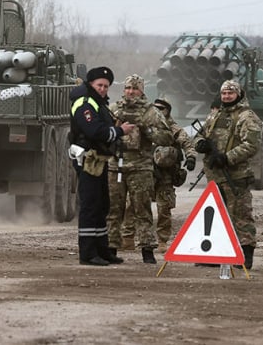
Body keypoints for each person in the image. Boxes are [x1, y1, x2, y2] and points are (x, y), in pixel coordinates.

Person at [69, 66, 135, 266]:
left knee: (102, 204)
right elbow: (94, 130)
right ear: (91, 84)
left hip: (99, 159)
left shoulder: (98, 103)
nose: (103, 89)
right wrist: (120, 131)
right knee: (90, 205)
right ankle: (88, 253)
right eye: (100, 85)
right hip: (88, 159)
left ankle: (102, 250)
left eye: (106, 86)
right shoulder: (85, 102)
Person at [193, 80, 261, 269]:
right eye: (223, 93)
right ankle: (214, 253)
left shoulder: (247, 117)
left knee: (241, 215)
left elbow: (252, 145)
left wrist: (228, 157)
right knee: (214, 215)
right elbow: (200, 134)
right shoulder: (215, 114)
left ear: (238, 94)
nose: (226, 97)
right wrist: (200, 144)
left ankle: (245, 255)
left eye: (230, 93)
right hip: (214, 176)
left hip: (236, 176)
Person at [106, 75, 173, 264]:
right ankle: (111, 247)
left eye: (135, 89)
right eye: (128, 88)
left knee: (142, 209)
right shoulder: (114, 110)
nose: (131, 92)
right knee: (113, 209)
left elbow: (167, 138)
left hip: (140, 167)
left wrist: (148, 131)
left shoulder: (150, 112)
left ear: (142, 90)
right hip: (116, 165)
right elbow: (102, 132)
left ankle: (147, 248)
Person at [150, 98, 196, 251]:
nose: (158, 111)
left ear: (167, 111)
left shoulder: (174, 128)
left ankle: (162, 240)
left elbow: (187, 144)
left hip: (165, 175)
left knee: (164, 208)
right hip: (146, 173)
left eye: (161, 108)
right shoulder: (146, 125)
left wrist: (191, 157)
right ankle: (132, 238)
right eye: (155, 107)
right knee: (136, 206)